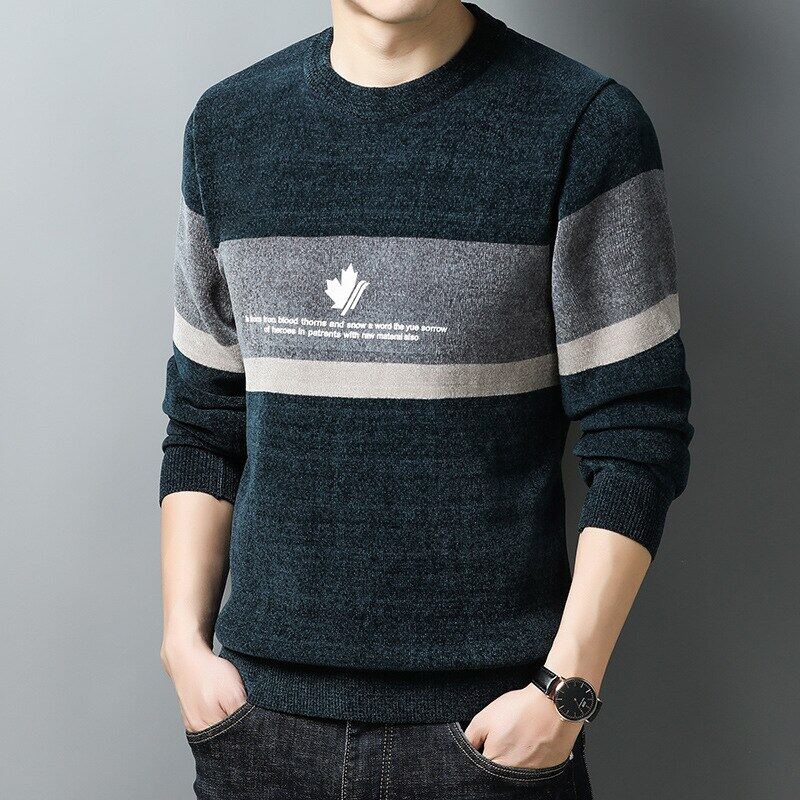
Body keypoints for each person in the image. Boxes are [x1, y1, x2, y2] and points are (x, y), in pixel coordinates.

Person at [159, 1, 692, 797]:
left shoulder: (584, 125)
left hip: (487, 734)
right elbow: (205, 418)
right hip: (260, 729)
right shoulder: (228, 128)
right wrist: (182, 643)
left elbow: (638, 434)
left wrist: (566, 691)